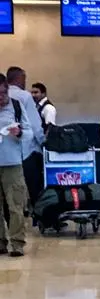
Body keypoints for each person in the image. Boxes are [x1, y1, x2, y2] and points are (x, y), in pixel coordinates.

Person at [6, 67, 45, 213]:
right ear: (19, 78)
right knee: (34, 185)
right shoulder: (25, 96)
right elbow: (34, 124)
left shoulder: (4, 96)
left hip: (7, 151)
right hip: (27, 150)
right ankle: (40, 215)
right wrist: (43, 142)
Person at [0, 73, 30, 256]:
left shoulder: (16, 106)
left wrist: (19, 133)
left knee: (16, 205)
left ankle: (17, 243)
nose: (1, 98)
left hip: (12, 163)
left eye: (3, 93)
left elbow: (30, 133)